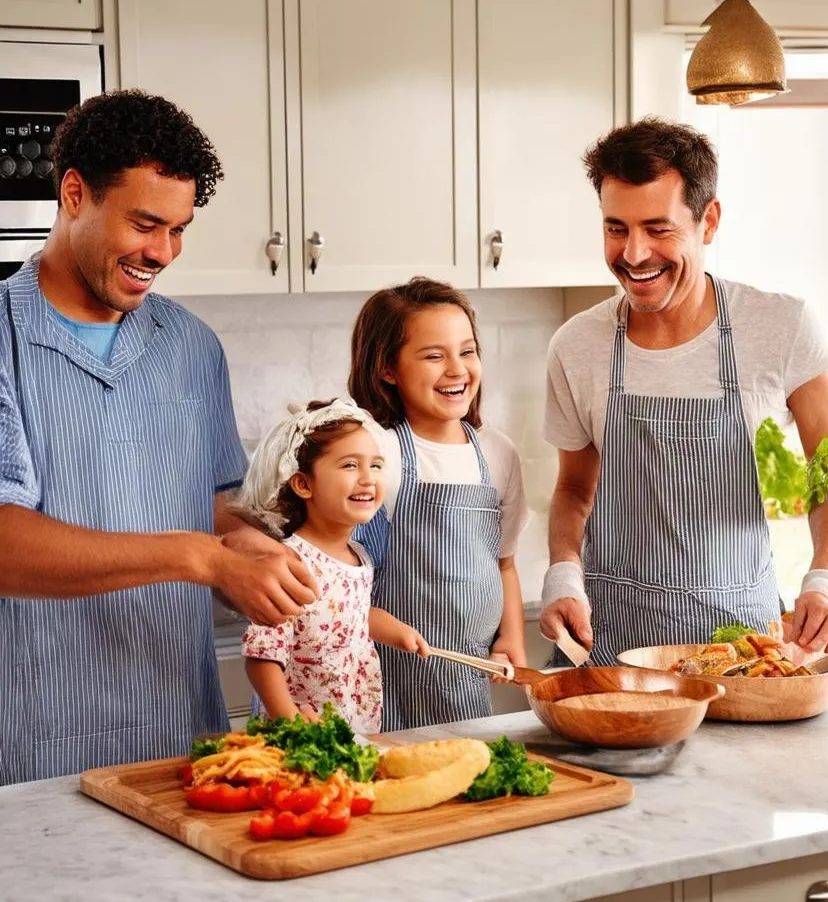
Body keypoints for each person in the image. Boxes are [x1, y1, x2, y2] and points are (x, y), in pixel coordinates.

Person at [0, 90, 317, 784]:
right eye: (145, 223)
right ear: (75, 194)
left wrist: (257, 550)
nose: (163, 252)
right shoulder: (4, 338)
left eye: (179, 229)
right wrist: (203, 559)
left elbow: (209, 502)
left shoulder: (191, 347)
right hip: (34, 745)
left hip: (181, 738)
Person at [539, 117, 828, 666]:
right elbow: (572, 489)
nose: (634, 255)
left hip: (741, 651)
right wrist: (564, 572)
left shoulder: (783, 327)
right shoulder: (576, 345)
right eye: (616, 229)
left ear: (708, 222)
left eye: (658, 229)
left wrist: (824, 579)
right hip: (612, 654)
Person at [349, 278, 528, 730]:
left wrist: (512, 638)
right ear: (388, 369)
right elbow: (336, 575)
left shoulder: (497, 452)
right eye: (434, 356)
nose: (457, 370)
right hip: (383, 680)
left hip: (464, 681)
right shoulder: (378, 452)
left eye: (467, 352)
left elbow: (503, 563)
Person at [235, 398, 429, 732]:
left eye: (376, 465)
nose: (368, 478)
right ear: (304, 484)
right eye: (350, 465)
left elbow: (348, 616)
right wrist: (289, 720)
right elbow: (262, 654)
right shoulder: (290, 562)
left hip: (353, 726)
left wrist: (398, 632)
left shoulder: (358, 555)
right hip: (302, 736)